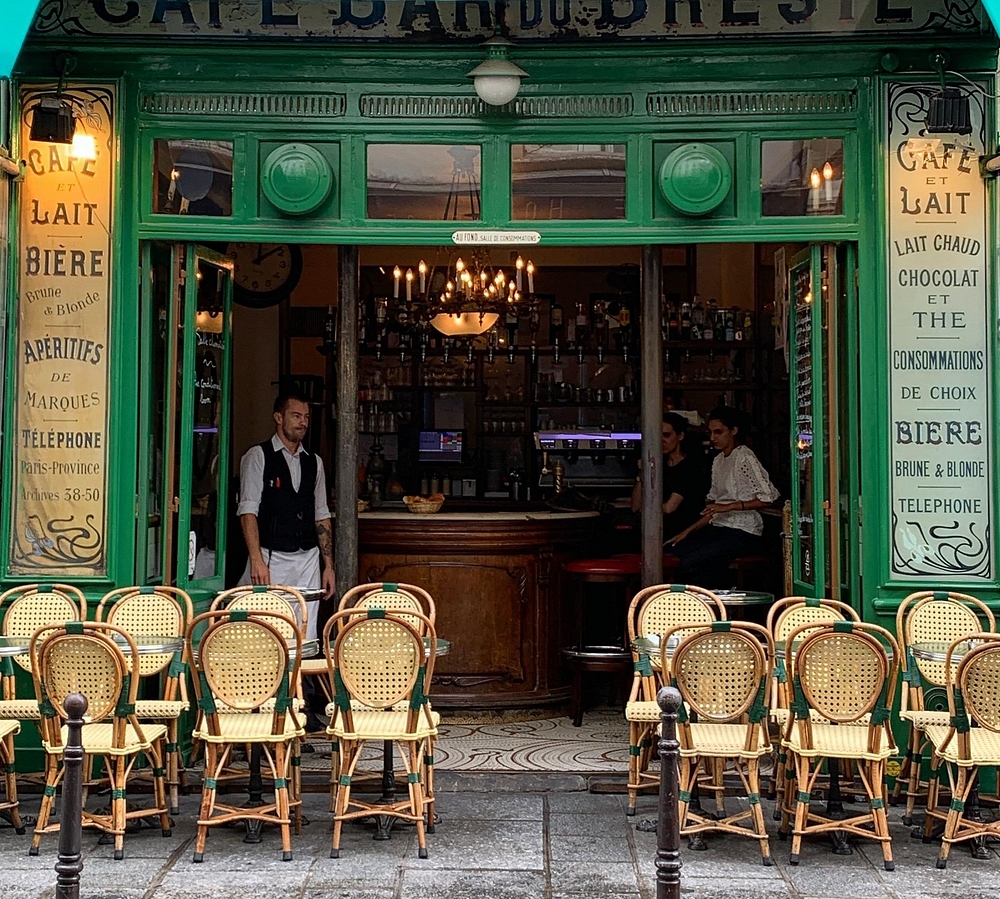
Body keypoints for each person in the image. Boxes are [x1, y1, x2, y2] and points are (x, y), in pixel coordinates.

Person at [237, 392, 335, 731]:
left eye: (306, 417)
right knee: (269, 632)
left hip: (307, 556)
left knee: (305, 637)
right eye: (295, 416)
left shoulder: (314, 462)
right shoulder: (258, 457)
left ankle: (301, 709)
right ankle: (268, 707)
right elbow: (248, 510)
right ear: (278, 418)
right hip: (270, 556)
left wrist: (329, 565)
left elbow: (322, 516)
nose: (302, 423)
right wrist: (256, 560)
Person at [666, 406, 779, 587]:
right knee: (676, 552)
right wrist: (686, 532)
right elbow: (713, 508)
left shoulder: (745, 457)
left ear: (734, 431)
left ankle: (702, 605)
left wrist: (728, 506)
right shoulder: (718, 460)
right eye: (710, 432)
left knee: (692, 562)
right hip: (719, 527)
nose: (712, 438)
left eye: (718, 432)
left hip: (744, 532)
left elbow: (769, 497)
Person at [630, 412, 708, 541]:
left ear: (680, 436)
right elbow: (635, 506)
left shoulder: (691, 467)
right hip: (656, 532)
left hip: (684, 534)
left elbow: (669, 507)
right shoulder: (658, 465)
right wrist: (641, 474)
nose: (661, 440)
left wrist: (646, 508)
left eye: (666, 435)